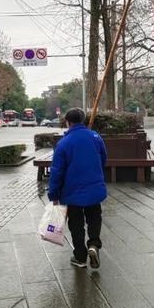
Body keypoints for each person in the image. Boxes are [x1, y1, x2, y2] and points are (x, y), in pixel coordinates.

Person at [48, 107, 107, 269]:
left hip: (72, 191)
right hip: (94, 188)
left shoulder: (64, 143)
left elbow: (57, 171)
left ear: (68, 122)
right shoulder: (96, 137)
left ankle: (80, 256)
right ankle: (94, 245)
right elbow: (103, 159)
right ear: (82, 120)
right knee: (94, 217)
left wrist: (53, 194)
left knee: (76, 224)